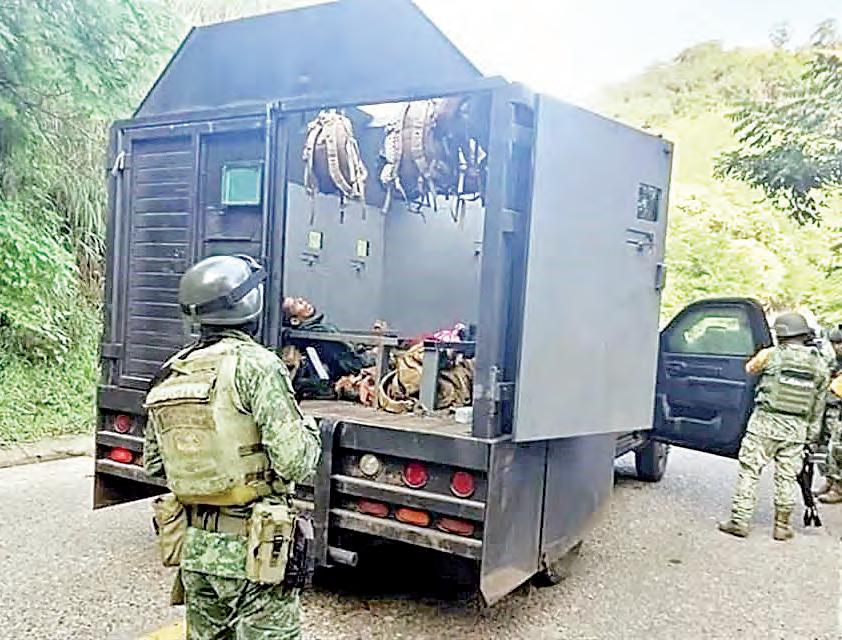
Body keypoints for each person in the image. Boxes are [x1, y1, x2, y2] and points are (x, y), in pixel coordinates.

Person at [143, 255, 321, 639]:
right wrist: (311, 431)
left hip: (196, 551)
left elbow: (155, 464)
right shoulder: (258, 366)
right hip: (255, 550)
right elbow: (294, 462)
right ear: (248, 304)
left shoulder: (171, 370)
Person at [718, 312, 830, 540]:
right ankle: (782, 526)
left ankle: (739, 521)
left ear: (780, 334)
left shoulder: (770, 355)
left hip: (764, 423)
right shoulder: (819, 364)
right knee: (787, 477)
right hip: (796, 429)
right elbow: (819, 405)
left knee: (750, 471)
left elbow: (750, 369)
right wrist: (812, 437)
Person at [816, 328, 842, 502]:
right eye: (834, 343)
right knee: (823, 446)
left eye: (840, 343)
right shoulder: (835, 361)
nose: (837, 347)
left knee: (837, 448)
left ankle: (838, 487)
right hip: (829, 408)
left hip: (839, 410)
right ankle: (830, 480)